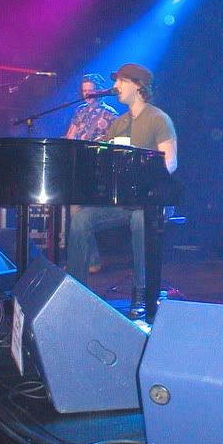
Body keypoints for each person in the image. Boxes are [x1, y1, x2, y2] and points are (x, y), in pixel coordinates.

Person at [66, 62, 177, 319]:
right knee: (81, 218)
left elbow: (170, 163)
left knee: (141, 219)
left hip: (152, 202)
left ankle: (142, 292)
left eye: (120, 81)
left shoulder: (159, 119)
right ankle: (74, 291)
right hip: (123, 201)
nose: (115, 86)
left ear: (137, 86)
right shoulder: (118, 124)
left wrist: (144, 177)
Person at [65, 74, 118, 272]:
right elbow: (70, 135)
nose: (87, 94)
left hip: (96, 168)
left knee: (80, 213)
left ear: (99, 91)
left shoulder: (109, 114)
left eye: (90, 90)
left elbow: (114, 143)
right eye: (84, 90)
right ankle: (85, 260)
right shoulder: (80, 110)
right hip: (77, 167)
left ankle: (90, 260)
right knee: (75, 212)